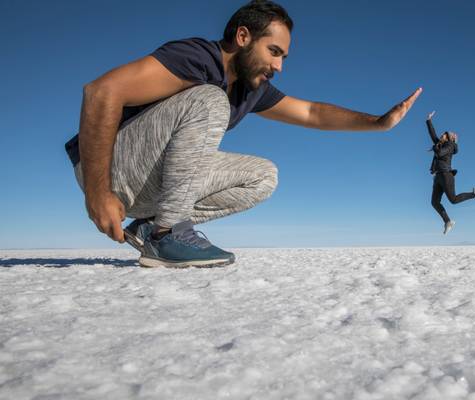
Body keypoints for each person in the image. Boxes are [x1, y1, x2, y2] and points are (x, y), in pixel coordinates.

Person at [64, 0, 421, 268]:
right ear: (243, 36)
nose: (279, 66)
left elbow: (311, 112)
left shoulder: (251, 90)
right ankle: (167, 233)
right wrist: (98, 193)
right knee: (210, 100)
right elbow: (101, 92)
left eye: (284, 57)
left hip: (150, 183)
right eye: (274, 51)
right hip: (109, 171)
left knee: (264, 176)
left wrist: (378, 122)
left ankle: (153, 226)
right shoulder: (198, 58)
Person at [426, 111, 475, 234]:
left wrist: (435, 148)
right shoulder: (441, 144)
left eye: (445, 134)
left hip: (446, 175)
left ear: (449, 138)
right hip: (438, 176)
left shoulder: (450, 146)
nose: (442, 134)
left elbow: (439, 153)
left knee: (453, 200)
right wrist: (428, 121)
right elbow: (433, 135)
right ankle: (448, 221)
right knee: (434, 202)